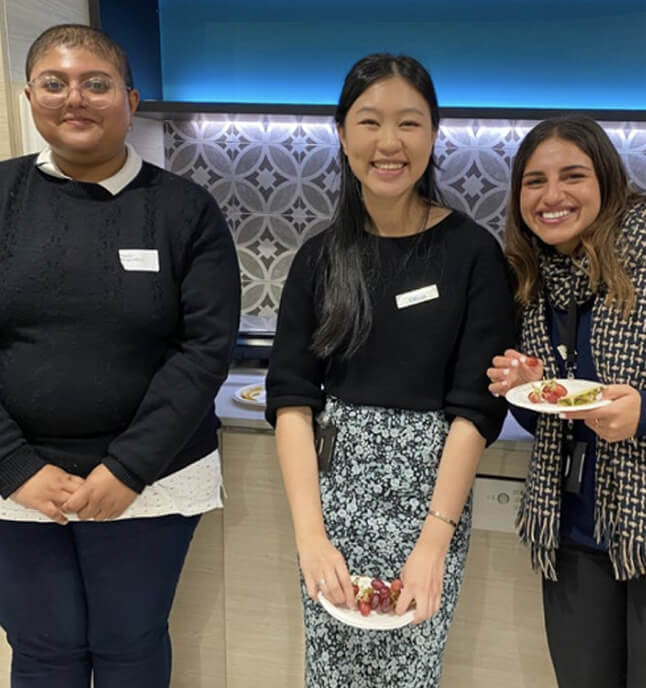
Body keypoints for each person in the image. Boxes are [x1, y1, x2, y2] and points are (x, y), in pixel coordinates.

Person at [0, 24, 240, 688]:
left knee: (130, 643)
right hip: (14, 483)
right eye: (55, 82)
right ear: (29, 96)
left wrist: (129, 468)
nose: (74, 98)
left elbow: (204, 350)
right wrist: (13, 465)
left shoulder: (185, 210)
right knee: (43, 648)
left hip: (150, 480)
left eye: (96, 83)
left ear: (130, 101)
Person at [265, 53, 515, 687]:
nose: (388, 143)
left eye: (410, 123)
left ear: (434, 133)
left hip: (430, 497)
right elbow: (291, 398)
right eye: (369, 121)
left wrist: (434, 542)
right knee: (330, 672)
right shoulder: (320, 255)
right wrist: (311, 537)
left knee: (409, 671)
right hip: (336, 497)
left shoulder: (472, 252)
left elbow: (475, 409)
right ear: (342, 132)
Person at [487, 115, 646, 687]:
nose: (552, 196)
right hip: (573, 530)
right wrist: (525, 385)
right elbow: (549, 416)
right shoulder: (533, 275)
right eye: (534, 181)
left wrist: (642, 414)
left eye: (572, 175)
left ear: (605, 178)